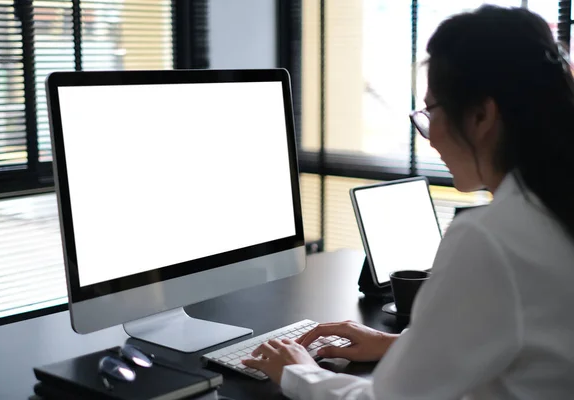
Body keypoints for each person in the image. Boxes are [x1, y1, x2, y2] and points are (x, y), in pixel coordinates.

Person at [241, 5, 574, 399]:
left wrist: (297, 371)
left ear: (482, 115)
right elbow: (530, 339)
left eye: (432, 112)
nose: (429, 137)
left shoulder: (492, 238)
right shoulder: (552, 209)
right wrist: (401, 345)